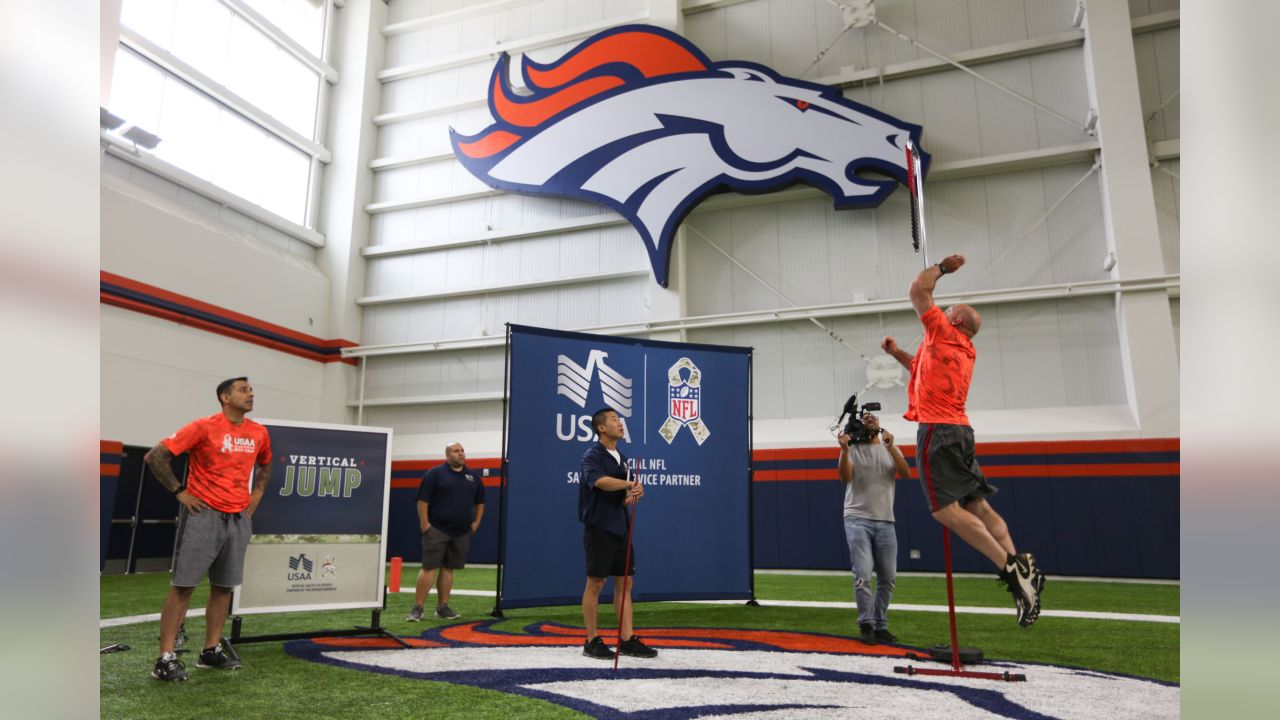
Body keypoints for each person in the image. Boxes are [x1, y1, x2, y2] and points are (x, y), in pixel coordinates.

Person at [881, 254, 1045, 627]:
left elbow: (917, 289)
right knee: (979, 509)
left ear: (952, 320)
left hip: (937, 432)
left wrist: (940, 268)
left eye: (948, 308)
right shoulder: (963, 348)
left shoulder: (941, 330)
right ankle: (1021, 569)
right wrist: (896, 354)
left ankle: (1008, 570)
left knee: (944, 511)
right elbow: (922, 368)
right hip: (960, 432)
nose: (943, 308)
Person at [144, 377, 273, 681]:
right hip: (205, 514)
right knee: (184, 585)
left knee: (224, 587)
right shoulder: (203, 426)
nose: (250, 393)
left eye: (251, 389)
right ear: (224, 397)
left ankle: (210, 650)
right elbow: (155, 456)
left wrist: (257, 494)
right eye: (243, 390)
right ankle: (165, 657)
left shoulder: (259, 432)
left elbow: (266, 464)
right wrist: (180, 492)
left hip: (239, 517)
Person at [578, 408, 657, 660]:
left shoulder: (621, 458)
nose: (620, 424)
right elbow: (599, 482)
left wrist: (634, 492)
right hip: (600, 528)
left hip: (621, 528)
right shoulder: (592, 455)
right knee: (597, 583)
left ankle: (627, 639)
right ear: (601, 428)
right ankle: (591, 640)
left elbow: (622, 498)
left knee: (625, 583)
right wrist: (629, 484)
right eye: (614, 420)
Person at [837, 412, 911, 643]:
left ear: (878, 425)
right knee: (863, 574)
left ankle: (880, 624)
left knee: (888, 577)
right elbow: (845, 478)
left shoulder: (888, 448)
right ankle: (866, 624)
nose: (870, 420)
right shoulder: (854, 450)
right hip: (857, 518)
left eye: (873, 418)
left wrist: (891, 447)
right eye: (866, 418)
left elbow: (906, 473)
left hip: (886, 520)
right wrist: (845, 450)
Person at [406, 442, 485, 622]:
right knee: (429, 568)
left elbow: (480, 503)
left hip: (461, 532)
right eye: (456, 451)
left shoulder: (473, 477)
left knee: (448, 569)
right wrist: (425, 524)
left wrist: (476, 523)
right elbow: (422, 501)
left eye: (462, 450)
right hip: (437, 530)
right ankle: (417, 608)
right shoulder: (435, 474)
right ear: (447, 455)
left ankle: (443, 608)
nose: (461, 454)